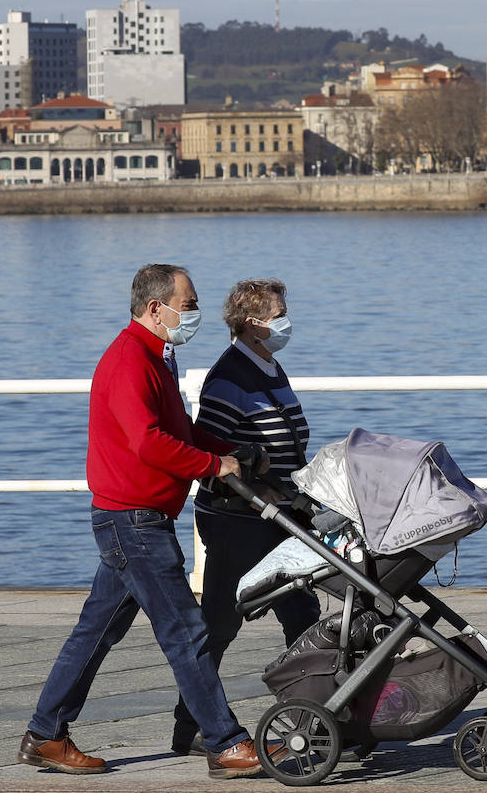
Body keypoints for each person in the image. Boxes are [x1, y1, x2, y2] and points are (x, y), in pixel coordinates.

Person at [17, 263, 265, 780]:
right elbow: (146, 441)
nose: (194, 313)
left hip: (130, 516)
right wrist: (211, 467)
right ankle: (225, 742)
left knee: (96, 631)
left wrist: (230, 451)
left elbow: (180, 430)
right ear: (157, 308)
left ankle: (46, 734)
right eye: (189, 304)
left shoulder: (158, 357)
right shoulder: (130, 360)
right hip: (132, 520)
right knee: (186, 631)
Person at [172, 277, 322, 755]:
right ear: (251, 323)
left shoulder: (269, 367)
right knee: (220, 622)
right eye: (277, 314)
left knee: (302, 612)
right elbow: (212, 450)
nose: (285, 322)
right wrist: (256, 465)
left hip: (278, 517)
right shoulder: (229, 378)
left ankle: (316, 710)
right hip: (238, 519)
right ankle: (191, 723)